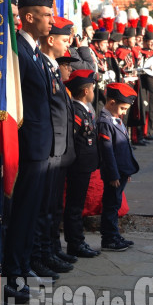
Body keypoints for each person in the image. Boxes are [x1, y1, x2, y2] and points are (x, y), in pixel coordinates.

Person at [2, 0, 55, 303]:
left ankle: (21, 270)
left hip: (39, 147)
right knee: (20, 216)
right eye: (46, 14)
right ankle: (12, 275)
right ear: (29, 16)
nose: (51, 20)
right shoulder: (18, 51)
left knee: (30, 215)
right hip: (26, 148)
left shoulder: (32, 50)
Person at [31, 16, 77, 281]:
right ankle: (39, 255)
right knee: (40, 209)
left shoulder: (50, 67)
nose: (67, 43)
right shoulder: (43, 65)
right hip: (45, 148)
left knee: (51, 208)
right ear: (50, 40)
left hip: (57, 148)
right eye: (63, 38)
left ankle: (49, 250)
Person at [97, 83, 140, 251]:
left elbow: (123, 146)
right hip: (112, 174)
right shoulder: (105, 122)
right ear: (112, 102)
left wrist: (126, 170)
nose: (124, 112)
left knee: (115, 203)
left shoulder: (115, 119)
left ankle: (114, 234)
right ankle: (108, 238)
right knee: (111, 205)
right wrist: (114, 175)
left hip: (121, 171)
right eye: (123, 108)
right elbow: (107, 152)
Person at [63, 69, 101, 259]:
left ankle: (78, 240)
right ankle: (75, 243)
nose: (95, 91)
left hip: (85, 165)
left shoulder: (85, 110)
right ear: (86, 91)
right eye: (92, 88)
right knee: (74, 206)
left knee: (78, 205)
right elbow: (73, 138)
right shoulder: (77, 111)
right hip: (78, 165)